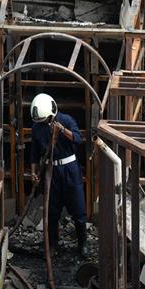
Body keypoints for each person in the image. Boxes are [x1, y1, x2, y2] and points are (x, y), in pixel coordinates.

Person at [29, 93, 89, 259]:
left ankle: (83, 243)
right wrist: (34, 172)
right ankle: (53, 244)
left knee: (78, 210)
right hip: (51, 172)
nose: (43, 124)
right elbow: (34, 153)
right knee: (52, 211)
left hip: (70, 169)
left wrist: (62, 129)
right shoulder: (37, 128)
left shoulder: (67, 120)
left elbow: (78, 139)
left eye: (45, 120)